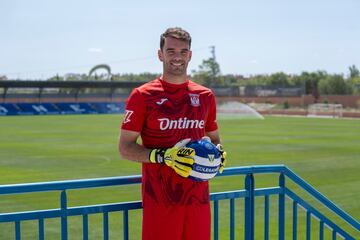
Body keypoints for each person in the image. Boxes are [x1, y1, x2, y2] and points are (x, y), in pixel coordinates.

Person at [118, 27, 226, 240]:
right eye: (171, 51)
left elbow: (214, 139)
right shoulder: (142, 95)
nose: (178, 57)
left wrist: (219, 153)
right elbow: (125, 147)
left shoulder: (205, 96)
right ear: (160, 54)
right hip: (160, 201)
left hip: (199, 200)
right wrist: (163, 156)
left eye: (183, 51)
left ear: (190, 55)